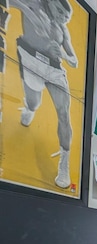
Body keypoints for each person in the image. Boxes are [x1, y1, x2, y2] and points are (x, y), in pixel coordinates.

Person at [10, 0, 77, 189]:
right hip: (31, 60)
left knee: (64, 114)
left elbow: (74, 61)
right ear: (53, 4)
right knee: (33, 103)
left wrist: (63, 55)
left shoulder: (62, 30)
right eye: (62, 14)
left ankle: (64, 163)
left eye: (67, 17)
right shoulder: (34, 4)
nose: (64, 19)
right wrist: (27, 11)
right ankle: (30, 107)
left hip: (54, 69)